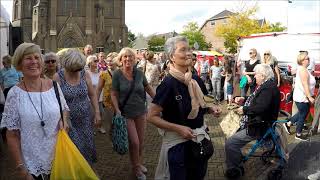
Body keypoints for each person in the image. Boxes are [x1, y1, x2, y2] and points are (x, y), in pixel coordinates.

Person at [147, 36, 222, 180]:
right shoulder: (168, 84)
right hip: (179, 148)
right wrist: (178, 128)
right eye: (183, 50)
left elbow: (200, 105)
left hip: (199, 143)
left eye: (189, 49)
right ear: (171, 57)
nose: (188, 53)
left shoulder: (194, 79)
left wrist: (210, 109)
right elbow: (151, 116)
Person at [1, 43, 69, 180]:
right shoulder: (15, 94)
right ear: (19, 64)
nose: (34, 62)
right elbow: (12, 135)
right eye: (28, 58)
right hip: (32, 165)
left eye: (37, 57)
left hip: (59, 157)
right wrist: (22, 170)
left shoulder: (54, 86)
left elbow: (64, 108)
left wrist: (64, 120)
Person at [224, 64, 280, 179]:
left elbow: (261, 107)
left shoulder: (268, 88)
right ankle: (237, 160)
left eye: (256, 75)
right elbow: (258, 100)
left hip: (259, 125)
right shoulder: (266, 86)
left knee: (230, 143)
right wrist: (244, 99)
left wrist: (244, 109)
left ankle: (235, 167)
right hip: (256, 122)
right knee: (231, 136)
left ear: (263, 76)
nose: (255, 77)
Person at [111, 47, 155, 180]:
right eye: (125, 56)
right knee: (134, 142)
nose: (128, 59)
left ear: (134, 59)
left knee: (140, 142)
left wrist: (159, 101)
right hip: (126, 113)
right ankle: (136, 168)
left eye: (130, 56)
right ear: (120, 59)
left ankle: (138, 163)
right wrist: (117, 109)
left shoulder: (140, 73)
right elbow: (113, 93)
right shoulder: (117, 74)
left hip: (141, 112)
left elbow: (148, 88)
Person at [53, 49, 101, 165]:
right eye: (74, 69)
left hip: (85, 118)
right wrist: (62, 120)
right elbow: (54, 102)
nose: (77, 72)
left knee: (88, 146)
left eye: (79, 68)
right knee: (76, 149)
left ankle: (88, 172)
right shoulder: (57, 77)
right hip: (69, 121)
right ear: (67, 65)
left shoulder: (85, 74)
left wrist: (97, 112)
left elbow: (92, 94)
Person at [282, 52, 316, 141]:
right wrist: (309, 96)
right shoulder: (303, 70)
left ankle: (288, 123)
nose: (309, 60)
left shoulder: (303, 69)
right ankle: (298, 134)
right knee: (303, 115)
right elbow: (305, 85)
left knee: (302, 113)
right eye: (307, 59)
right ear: (302, 61)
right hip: (303, 97)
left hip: (302, 96)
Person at [96, 55, 118, 135]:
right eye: (108, 61)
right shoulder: (103, 74)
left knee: (121, 122)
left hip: (121, 101)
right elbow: (99, 89)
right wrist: (96, 102)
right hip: (108, 103)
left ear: (116, 61)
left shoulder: (121, 73)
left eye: (111, 60)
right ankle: (113, 141)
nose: (109, 62)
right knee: (111, 123)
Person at [86, 55, 106, 134]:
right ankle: (92, 128)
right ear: (90, 63)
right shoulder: (87, 74)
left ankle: (100, 126)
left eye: (97, 60)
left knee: (101, 112)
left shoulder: (101, 72)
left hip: (100, 97)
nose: (97, 62)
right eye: (95, 61)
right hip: (90, 98)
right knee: (91, 114)